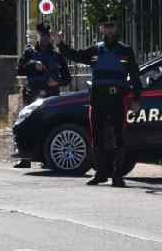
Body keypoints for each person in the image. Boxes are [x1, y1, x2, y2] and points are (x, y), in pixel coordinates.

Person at [55, 17, 142, 187]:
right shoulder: (95, 50)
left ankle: (117, 175)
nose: (109, 30)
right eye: (106, 26)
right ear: (101, 29)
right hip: (98, 99)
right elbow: (76, 55)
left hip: (117, 99)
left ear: (115, 28)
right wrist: (60, 44)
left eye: (112, 26)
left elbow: (135, 76)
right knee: (97, 137)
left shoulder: (125, 51)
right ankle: (100, 174)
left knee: (119, 137)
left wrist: (137, 99)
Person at [14, 22, 71, 168]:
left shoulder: (57, 56)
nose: (45, 39)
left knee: (49, 125)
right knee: (27, 124)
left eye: (47, 36)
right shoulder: (29, 53)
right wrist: (33, 64)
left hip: (51, 95)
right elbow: (19, 70)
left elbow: (67, 78)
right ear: (38, 36)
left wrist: (56, 81)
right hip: (32, 94)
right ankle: (25, 157)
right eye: (42, 36)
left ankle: (46, 158)